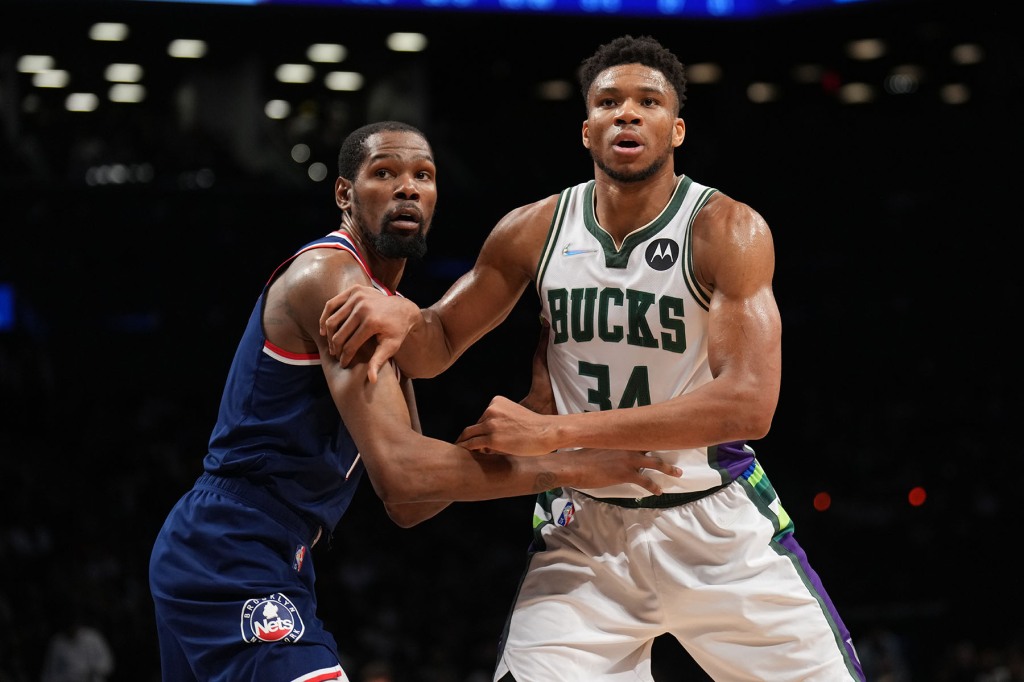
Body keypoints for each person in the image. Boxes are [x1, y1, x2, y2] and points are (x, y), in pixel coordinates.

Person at [319, 36, 866, 681]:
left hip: (715, 524)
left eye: (647, 102)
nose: (626, 114)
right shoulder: (534, 228)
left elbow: (748, 404)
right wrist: (395, 308)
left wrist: (555, 434)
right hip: (583, 533)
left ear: (677, 129)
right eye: (609, 102)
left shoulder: (725, 229)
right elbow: (435, 346)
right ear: (587, 129)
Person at [147, 120, 680, 682]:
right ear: (344, 194)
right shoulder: (332, 277)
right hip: (230, 546)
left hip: (270, 551)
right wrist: (572, 465)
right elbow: (403, 476)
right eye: (385, 173)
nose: (408, 187)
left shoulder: (387, 307)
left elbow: (413, 504)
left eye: (423, 175)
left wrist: (528, 418)